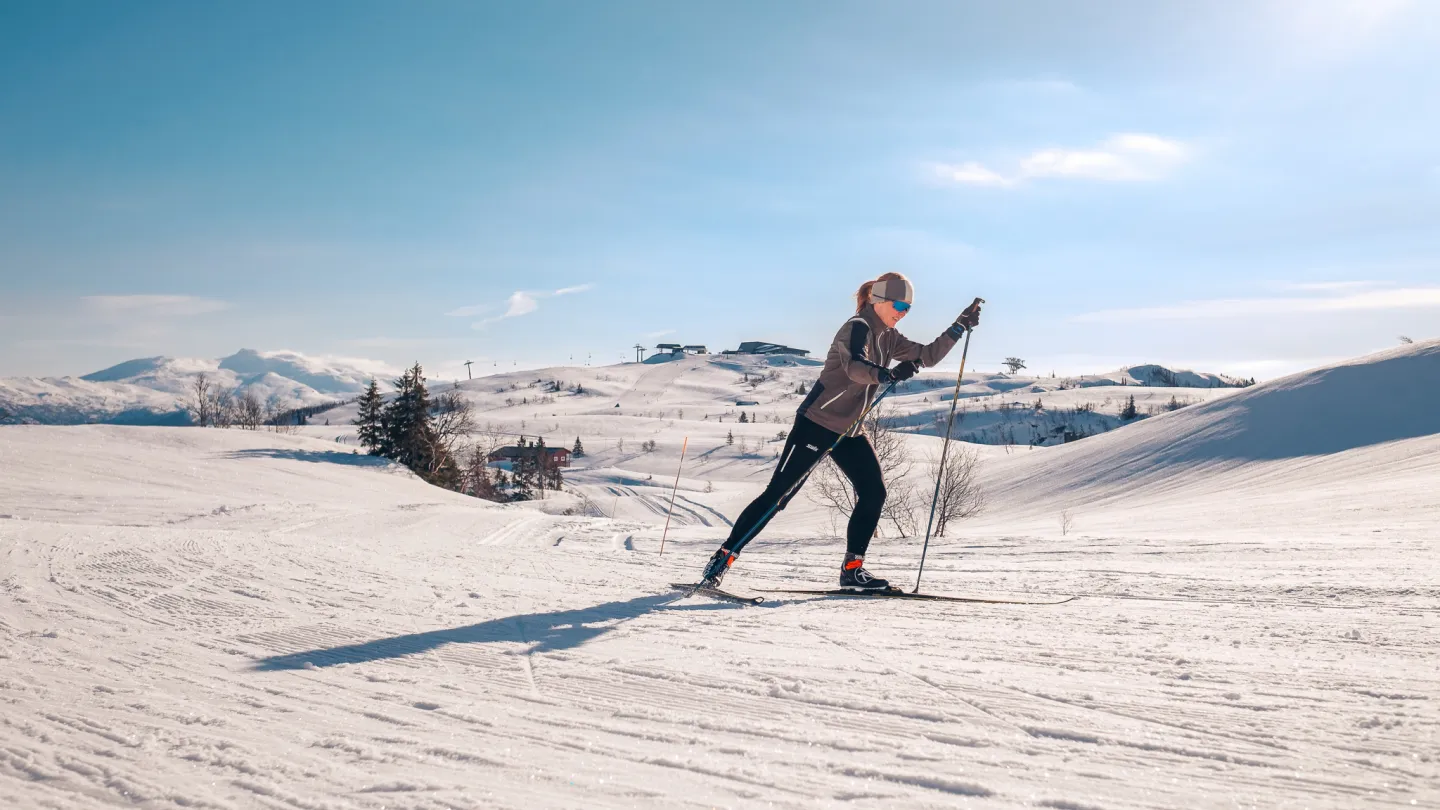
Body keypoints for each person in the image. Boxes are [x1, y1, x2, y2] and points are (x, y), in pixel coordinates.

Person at [698, 272, 981, 591]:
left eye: (908, 308)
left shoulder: (889, 337)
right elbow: (855, 367)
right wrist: (886, 375)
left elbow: (927, 356)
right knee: (779, 495)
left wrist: (959, 326)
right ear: (879, 300)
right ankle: (720, 561)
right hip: (816, 422)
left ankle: (852, 569)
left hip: (850, 430)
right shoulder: (856, 327)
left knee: (874, 492)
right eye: (899, 304)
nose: (903, 312)